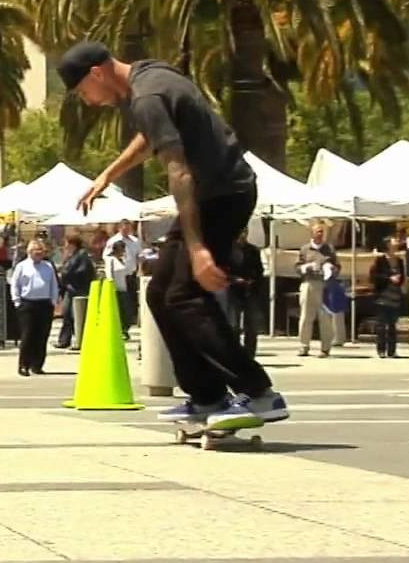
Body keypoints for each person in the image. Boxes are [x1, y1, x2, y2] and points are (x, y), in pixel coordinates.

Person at [60, 41, 286, 429]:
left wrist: (198, 250)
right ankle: (207, 395)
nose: (91, 103)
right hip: (218, 192)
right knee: (160, 293)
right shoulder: (153, 74)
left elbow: (179, 171)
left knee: (183, 294)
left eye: (85, 93)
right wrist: (107, 175)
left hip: (221, 194)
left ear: (97, 73)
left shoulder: (146, 96)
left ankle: (260, 393)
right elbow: (153, 136)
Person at [10, 239, 59, 376]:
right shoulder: (22, 266)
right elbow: (15, 284)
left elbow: (54, 284)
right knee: (28, 335)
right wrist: (17, 301)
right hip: (27, 304)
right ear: (29, 252)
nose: (39, 254)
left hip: (44, 304)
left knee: (42, 336)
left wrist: (53, 301)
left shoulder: (48, 266)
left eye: (41, 252)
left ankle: (37, 365)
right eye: (36, 252)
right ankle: (24, 365)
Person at [297, 222, 341, 358]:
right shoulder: (305, 249)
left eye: (322, 231)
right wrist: (306, 267)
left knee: (325, 318)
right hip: (308, 284)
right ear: (312, 233)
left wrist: (333, 269)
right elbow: (297, 268)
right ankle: (304, 346)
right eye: (318, 231)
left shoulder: (330, 249)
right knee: (305, 317)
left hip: (324, 285)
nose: (320, 234)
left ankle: (325, 348)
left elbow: (338, 267)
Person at [227, 229, 264, 356]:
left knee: (252, 327)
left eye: (244, 232)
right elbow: (224, 270)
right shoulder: (228, 250)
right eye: (240, 232)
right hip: (233, 291)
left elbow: (260, 271)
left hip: (250, 292)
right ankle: (235, 354)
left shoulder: (253, 251)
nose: (242, 235)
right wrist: (234, 279)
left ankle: (249, 355)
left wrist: (252, 281)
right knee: (233, 326)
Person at [369, 236, 406, 359]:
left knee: (392, 325)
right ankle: (381, 350)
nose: (397, 242)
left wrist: (399, 281)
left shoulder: (399, 260)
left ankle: (392, 350)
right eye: (394, 240)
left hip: (394, 295)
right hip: (382, 296)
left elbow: (403, 276)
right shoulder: (380, 260)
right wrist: (389, 278)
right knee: (381, 324)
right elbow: (374, 276)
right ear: (388, 245)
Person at [56, 235, 95, 349]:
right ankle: (64, 340)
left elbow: (82, 271)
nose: (65, 246)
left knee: (75, 316)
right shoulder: (71, 256)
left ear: (73, 244)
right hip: (70, 289)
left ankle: (79, 340)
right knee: (67, 315)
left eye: (67, 243)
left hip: (78, 289)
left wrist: (67, 274)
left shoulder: (82, 255)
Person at [107, 220, 143, 334]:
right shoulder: (113, 241)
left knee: (131, 303)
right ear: (119, 228)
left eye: (129, 228)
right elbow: (107, 258)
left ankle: (127, 325)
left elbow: (139, 256)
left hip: (131, 275)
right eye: (124, 228)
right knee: (122, 304)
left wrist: (140, 270)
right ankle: (122, 327)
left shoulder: (135, 241)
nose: (127, 230)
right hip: (118, 276)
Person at [105, 240, 133, 341]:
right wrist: (111, 286)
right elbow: (109, 273)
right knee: (119, 311)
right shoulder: (110, 260)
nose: (123, 251)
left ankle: (125, 329)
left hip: (124, 288)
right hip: (115, 289)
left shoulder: (122, 260)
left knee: (126, 311)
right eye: (122, 249)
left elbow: (128, 271)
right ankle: (120, 330)